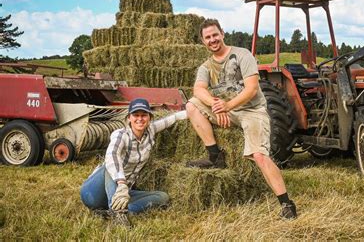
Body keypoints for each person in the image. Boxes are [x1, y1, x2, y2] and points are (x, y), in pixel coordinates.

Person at [185, 18, 297, 219]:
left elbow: (252, 89)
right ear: (203, 42)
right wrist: (215, 105)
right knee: (191, 105)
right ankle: (215, 156)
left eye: (215, 35)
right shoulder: (206, 66)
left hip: (252, 111)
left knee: (260, 155)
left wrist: (227, 105)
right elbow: (198, 89)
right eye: (208, 37)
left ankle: (286, 203)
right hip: (227, 110)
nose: (212, 40)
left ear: (222, 34)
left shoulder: (243, 55)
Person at [80, 98, 188, 228]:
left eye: (144, 115)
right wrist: (121, 182)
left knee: (162, 197)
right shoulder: (120, 135)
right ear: (128, 118)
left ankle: (119, 210)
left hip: (124, 192)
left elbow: (173, 118)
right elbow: (112, 155)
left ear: (150, 117)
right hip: (94, 193)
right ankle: (118, 214)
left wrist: (193, 112)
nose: (140, 119)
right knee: (109, 166)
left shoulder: (150, 131)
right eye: (136, 115)